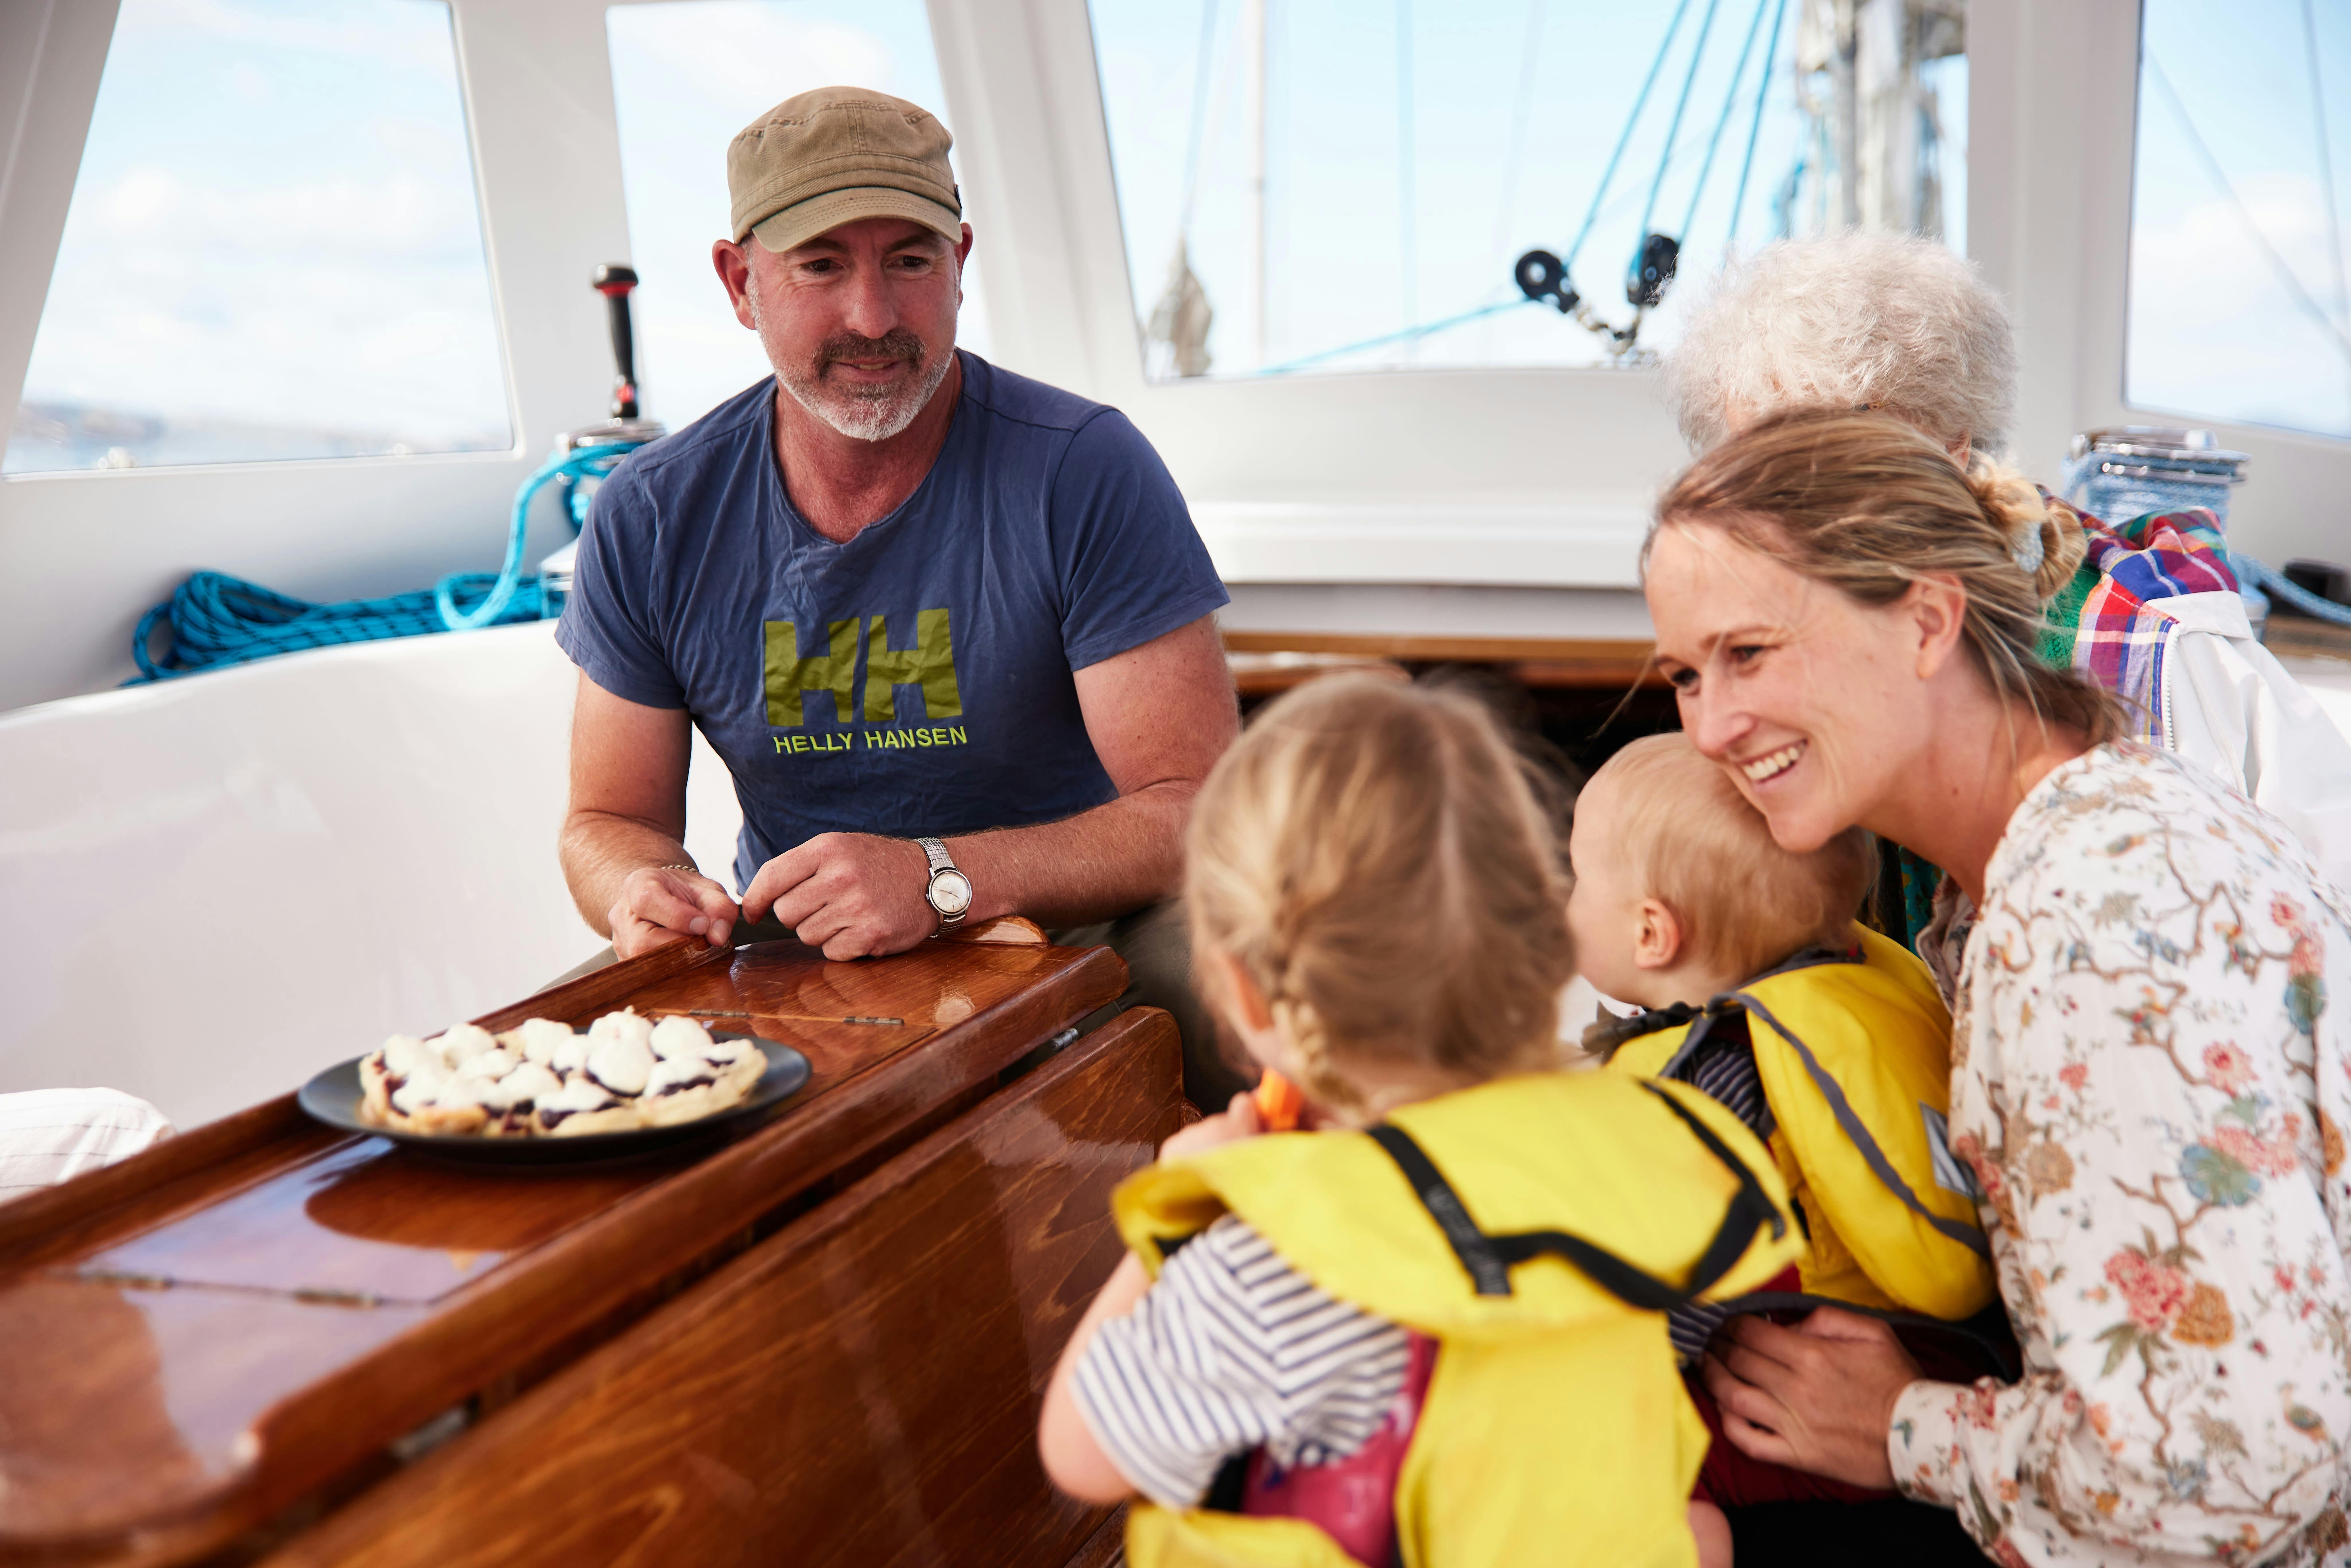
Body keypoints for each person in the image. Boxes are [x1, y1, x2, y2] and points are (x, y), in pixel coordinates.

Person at [1645, 408, 2351, 1566]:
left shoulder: (2091, 916)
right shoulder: (2043, 853)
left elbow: (2235, 1473)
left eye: (1749, 653)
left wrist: (1900, 1428)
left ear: (1926, 621)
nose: (1712, 726)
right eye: (1683, 673)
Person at [552, 87, 1244, 1104]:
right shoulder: (650, 511)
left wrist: (937, 875)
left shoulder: (1083, 467)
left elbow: (1204, 813)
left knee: (1248, 990)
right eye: (822, 264)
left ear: (960, 263)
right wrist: (636, 890)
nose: (872, 316)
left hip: (1091, 916)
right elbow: (606, 817)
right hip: (798, 942)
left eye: (909, 261)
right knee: (561, 1065)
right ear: (740, 282)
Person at [1036, 675, 1803, 1568]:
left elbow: (1080, 1454)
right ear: (1538, 940)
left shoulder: (1277, 1255)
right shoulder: (1633, 1163)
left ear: (1242, 989)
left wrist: (1180, 1227)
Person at [1663, 232, 2351, 897]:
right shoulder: (1743, 669)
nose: (1780, 513)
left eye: (1821, 466)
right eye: (1751, 473)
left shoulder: (2164, 654)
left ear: (1951, 447)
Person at [1571, 734, 2001, 1511]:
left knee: (1637, 1464)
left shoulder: (1720, 1074)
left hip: (1802, 1398)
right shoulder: (1859, 996)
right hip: (1935, 1357)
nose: (1564, 900)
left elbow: (1675, 1294)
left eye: (1577, 880)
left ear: (1650, 934)